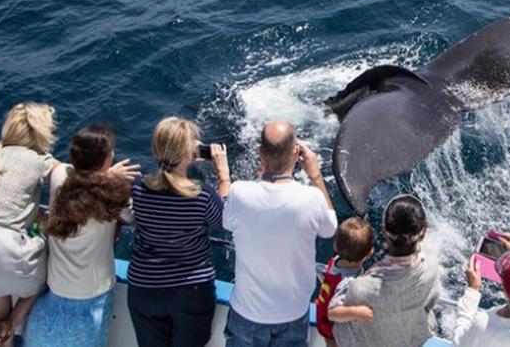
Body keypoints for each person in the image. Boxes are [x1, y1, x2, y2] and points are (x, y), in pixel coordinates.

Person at [223, 121, 337, 347]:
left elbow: (227, 223)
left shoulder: (239, 192)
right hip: (293, 314)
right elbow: (330, 228)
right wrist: (315, 177)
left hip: (246, 314)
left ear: (260, 153)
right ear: (296, 153)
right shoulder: (311, 199)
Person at [23, 125, 139, 347]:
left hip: (56, 290)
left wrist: (104, 175)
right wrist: (110, 179)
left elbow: (65, 171)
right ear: (106, 158)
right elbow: (131, 218)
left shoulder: (60, 177)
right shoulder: (113, 193)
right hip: (94, 295)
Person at [127, 117, 230, 347]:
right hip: (190, 292)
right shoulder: (200, 195)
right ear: (188, 154)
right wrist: (223, 176)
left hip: (144, 288)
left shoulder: (138, 188)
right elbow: (226, 219)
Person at [0, 102, 60, 347]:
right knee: (38, 284)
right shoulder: (40, 160)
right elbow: (68, 178)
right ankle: (10, 325)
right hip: (9, 251)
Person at [333, 194, 440, 347]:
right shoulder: (431, 266)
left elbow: (342, 334)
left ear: (383, 231)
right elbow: (431, 301)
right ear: (423, 233)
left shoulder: (360, 288)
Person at [316, 217, 376, 347]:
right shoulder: (348, 281)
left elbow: (329, 276)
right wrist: (357, 312)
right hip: (331, 327)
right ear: (370, 252)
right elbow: (333, 312)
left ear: (335, 246)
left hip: (321, 314)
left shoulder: (336, 260)